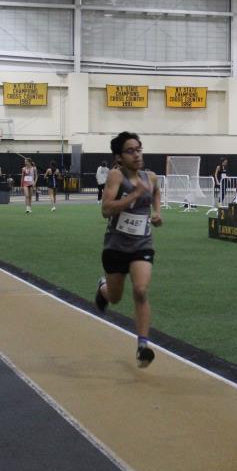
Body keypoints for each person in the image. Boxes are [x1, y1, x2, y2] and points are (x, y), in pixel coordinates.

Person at [94, 132, 163, 369]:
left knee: (141, 290)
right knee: (115, 297)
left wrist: (157, 212)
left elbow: (156, 192)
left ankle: (143, 346)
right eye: (130, 151)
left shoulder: (150, 177)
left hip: (142, 244)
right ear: (119, 157)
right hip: (115, 246)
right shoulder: (116, 176)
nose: (136, 155)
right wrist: (134, 195)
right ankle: (103, 289)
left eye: (139, 149)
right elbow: (106, 209)